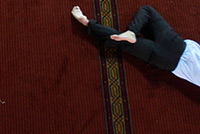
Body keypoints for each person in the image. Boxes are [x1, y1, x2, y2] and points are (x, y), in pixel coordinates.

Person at [71, 5, 200, 88]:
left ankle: (132, 31)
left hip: (176, 45)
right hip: (165, 61)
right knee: (122, 43)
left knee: (148, 11)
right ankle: (86, 23)